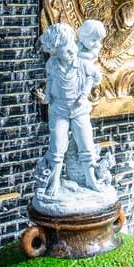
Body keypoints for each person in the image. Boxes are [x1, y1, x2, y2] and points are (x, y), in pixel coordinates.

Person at [41, 22, 103, 197]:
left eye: (73, 48)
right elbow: (51, 81)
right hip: (59, 110)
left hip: (79, 110)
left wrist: (86, 91)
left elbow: (95, 76)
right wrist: (46, 95)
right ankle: (54, 181)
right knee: (57, 146)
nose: (72, 52)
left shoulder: (82, 63)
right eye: (66, 50)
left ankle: (91, 179)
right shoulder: (51, 65)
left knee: (86, 144)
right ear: (54, 51)